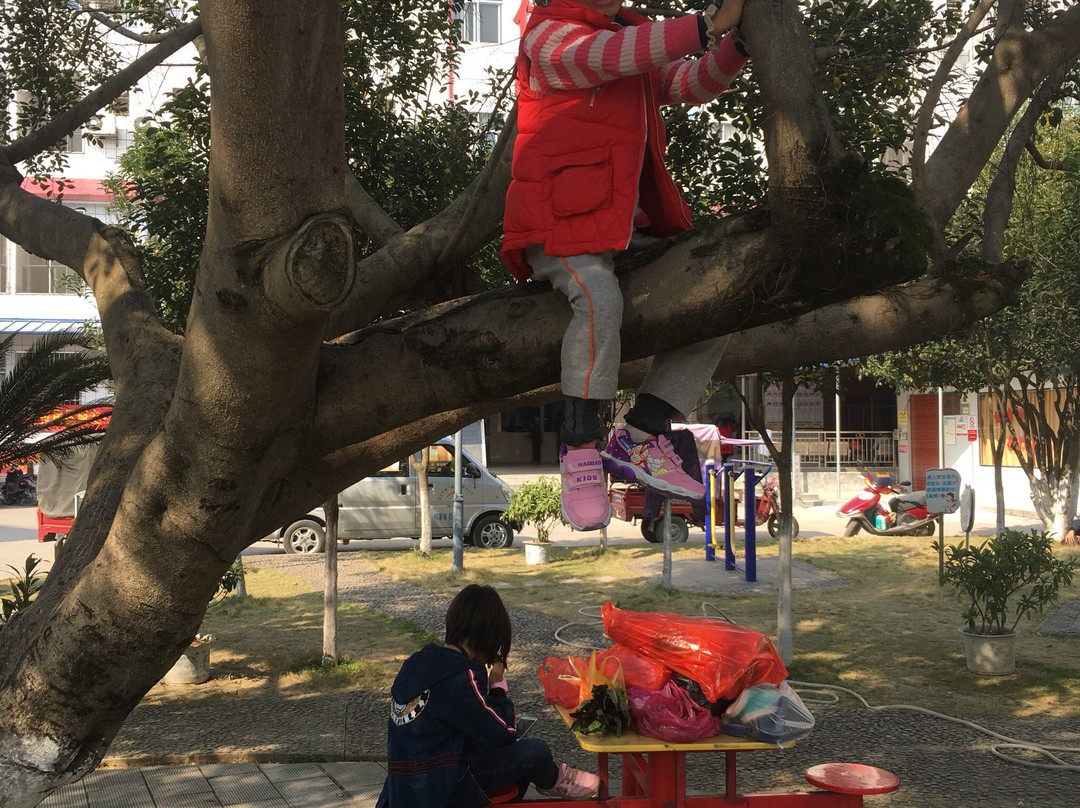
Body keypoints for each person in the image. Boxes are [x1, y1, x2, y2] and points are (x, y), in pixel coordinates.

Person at [501, 0, 751, 531]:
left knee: (722, 300)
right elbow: (610, 56)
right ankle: (579, 449)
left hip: (623, 230)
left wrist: (736, 46)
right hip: (561, 225)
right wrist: (707, 25)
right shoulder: (548, 39)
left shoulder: (629, 36)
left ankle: (641, 434)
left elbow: (686, 84)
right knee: (598, 298)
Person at [375, 585, 600, 807]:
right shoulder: (462, 677)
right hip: (444, 789)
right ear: (487, 636)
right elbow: (504, 733)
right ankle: (556, 779)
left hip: (403, 790)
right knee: (534, 752)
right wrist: (497, 686)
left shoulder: (417, 663)